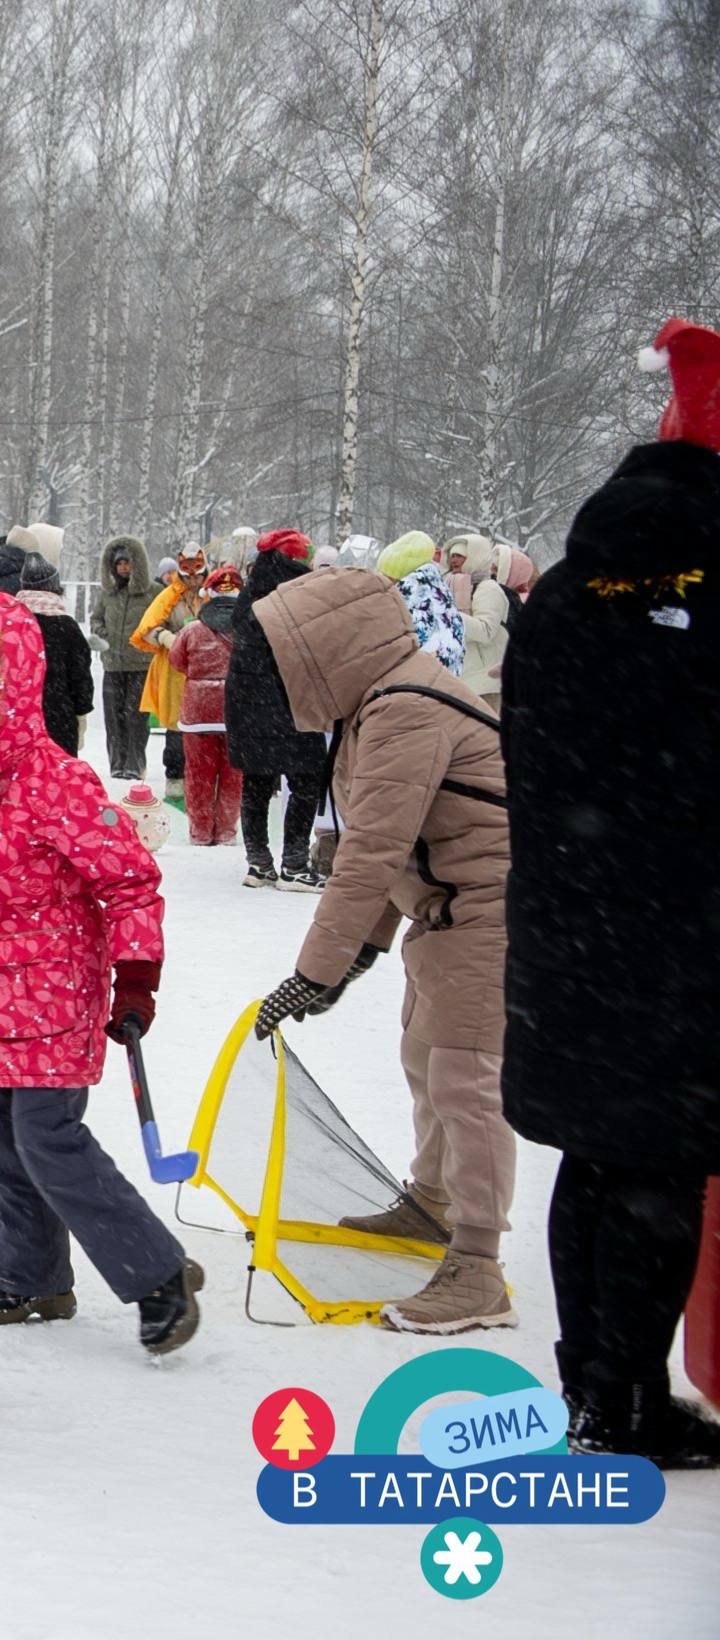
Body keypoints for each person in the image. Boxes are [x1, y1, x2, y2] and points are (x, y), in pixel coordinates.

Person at [502, 318, 720, 1467]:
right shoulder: (703, 602)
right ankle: (626, 1402)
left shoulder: (561, 595)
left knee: (591, 1161)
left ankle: (589, 1380)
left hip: (564, 929)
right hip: (677, 941)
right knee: (654, 1171)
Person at [0, 585, 201, 1355]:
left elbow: (129, 883)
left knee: (49, 1140)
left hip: (53, 994)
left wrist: (136, 975)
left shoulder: (56, 782)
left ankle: (159, 1275)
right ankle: (33, 1278)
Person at [252, 567, 517, 1334]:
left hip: (490, 911)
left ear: (326, 649)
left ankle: (478, 1268)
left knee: (466, 1081)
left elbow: (372, 851)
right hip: (447, 912)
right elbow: (387, 849)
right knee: (426, 1062)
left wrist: (316, 971)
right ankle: (432, 1205)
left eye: (288, 655)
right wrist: (361, 954)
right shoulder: (378, 703)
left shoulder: (405, 707)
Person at [228, 528, 329, 891]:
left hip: (248, 703)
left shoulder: (252, 590)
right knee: (306, 779)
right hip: (290, 702)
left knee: (256, 782)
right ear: (296, 559)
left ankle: (258, 865)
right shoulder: (298, 593)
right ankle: (295, 865)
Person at [165, 565, 244, 846]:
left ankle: (200, 830)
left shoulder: (192, 630)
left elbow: (176, 661)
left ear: (207, 595)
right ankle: (226, 831)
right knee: (232, 775)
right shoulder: (247, 629)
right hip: (235, 711)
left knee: (199, 774)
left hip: (198, 713)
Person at [132, 546, 206, 797]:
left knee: (204, 730)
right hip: (175, 671)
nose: (193, 579)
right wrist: (166, 637)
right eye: (188, 574)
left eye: (198, 574)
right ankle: (175, 783)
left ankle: (201, 786)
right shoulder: (169, 596)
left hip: (205, 670)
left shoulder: (211, 595)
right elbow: (147, 628)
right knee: (176, 730)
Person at [15, 549, 94, 756]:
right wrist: (81, 710)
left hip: (18, 717)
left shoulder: (12, 624)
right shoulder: (66, 626)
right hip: (59, 716)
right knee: (58, 771)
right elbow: (80, 675)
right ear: (54, 586)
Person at [92, 536, 154, 780]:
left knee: (136, 718)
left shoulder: (153, 592)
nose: (123, 567)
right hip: (112, 665)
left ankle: (135, 765)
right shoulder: (108, 594)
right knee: (113, 718)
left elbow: (162, 621)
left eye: (127, 562)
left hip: (140, 665)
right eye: (119, 563)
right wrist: (103, 634)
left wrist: (148, 638)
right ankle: (117, 764)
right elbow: (96, 619)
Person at [442, 534, 514, 710]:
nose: (454, 560)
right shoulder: (450, 585)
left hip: (485, 683)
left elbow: (486, 631)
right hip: (462, 682)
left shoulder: (488, 588)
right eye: (452, 555)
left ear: (475, 556)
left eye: (460, 555)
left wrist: (451, 615)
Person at [378, 531, 466, 672]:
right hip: (447, 676)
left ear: (397, 572)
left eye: (386, 575)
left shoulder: (410, 593)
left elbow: (395, 643)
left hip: (420, 677)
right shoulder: (437, 587)